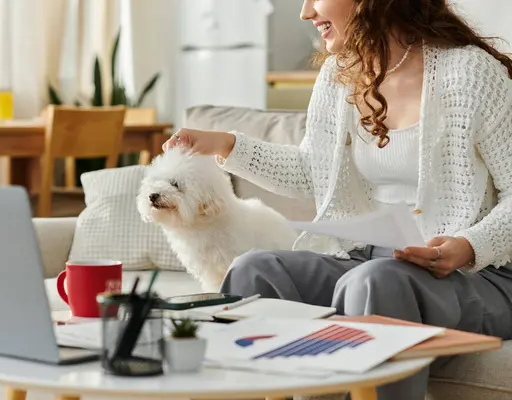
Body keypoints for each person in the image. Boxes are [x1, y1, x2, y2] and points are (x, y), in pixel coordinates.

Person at [164, 0, 512, 399]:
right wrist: (224, 145)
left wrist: (468, 246)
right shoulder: (339, 75)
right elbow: (314, 173)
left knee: (375, 281)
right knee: (255, 269)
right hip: (369, 261)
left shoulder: (471, 74)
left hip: (474, 276)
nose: (305, 12)